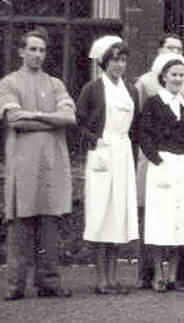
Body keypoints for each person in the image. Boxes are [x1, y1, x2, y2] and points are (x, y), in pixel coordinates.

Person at [1, 28, 77, 301]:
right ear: (21, 51)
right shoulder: (9, 83)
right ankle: (15, 284)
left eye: (42, 50)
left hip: (51, 163)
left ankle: (49, 281)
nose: (37, 55)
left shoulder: (55, 84)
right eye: (32, 49)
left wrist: (32, 114)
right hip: (23, 165)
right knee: (21, 224)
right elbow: (14, 120)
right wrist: (49, 118)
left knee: (49, 223)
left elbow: (69, 118)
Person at [76, 35, 138, 295]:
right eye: (114, 60)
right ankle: (102, 280)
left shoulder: (131, 91)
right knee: (101, 213)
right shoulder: (92, 88)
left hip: (122, 154)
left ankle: (113, 278)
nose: (119, 65)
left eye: (123, 60)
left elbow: (136, 127)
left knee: (118, 215)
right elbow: (78, 122)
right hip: (101, 154)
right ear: (104, 62)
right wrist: (96, 141)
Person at [132, 32, 184, 290]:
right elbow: (142, 133)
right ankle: (157, 273)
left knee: (181, 220)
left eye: (181, 75)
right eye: (173, 75)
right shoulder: (155, 103)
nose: (178, 79)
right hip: (161, 166)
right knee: (160, 221)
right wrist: (156, 159)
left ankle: (174, 276)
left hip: (183, 166)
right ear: (163, 77)